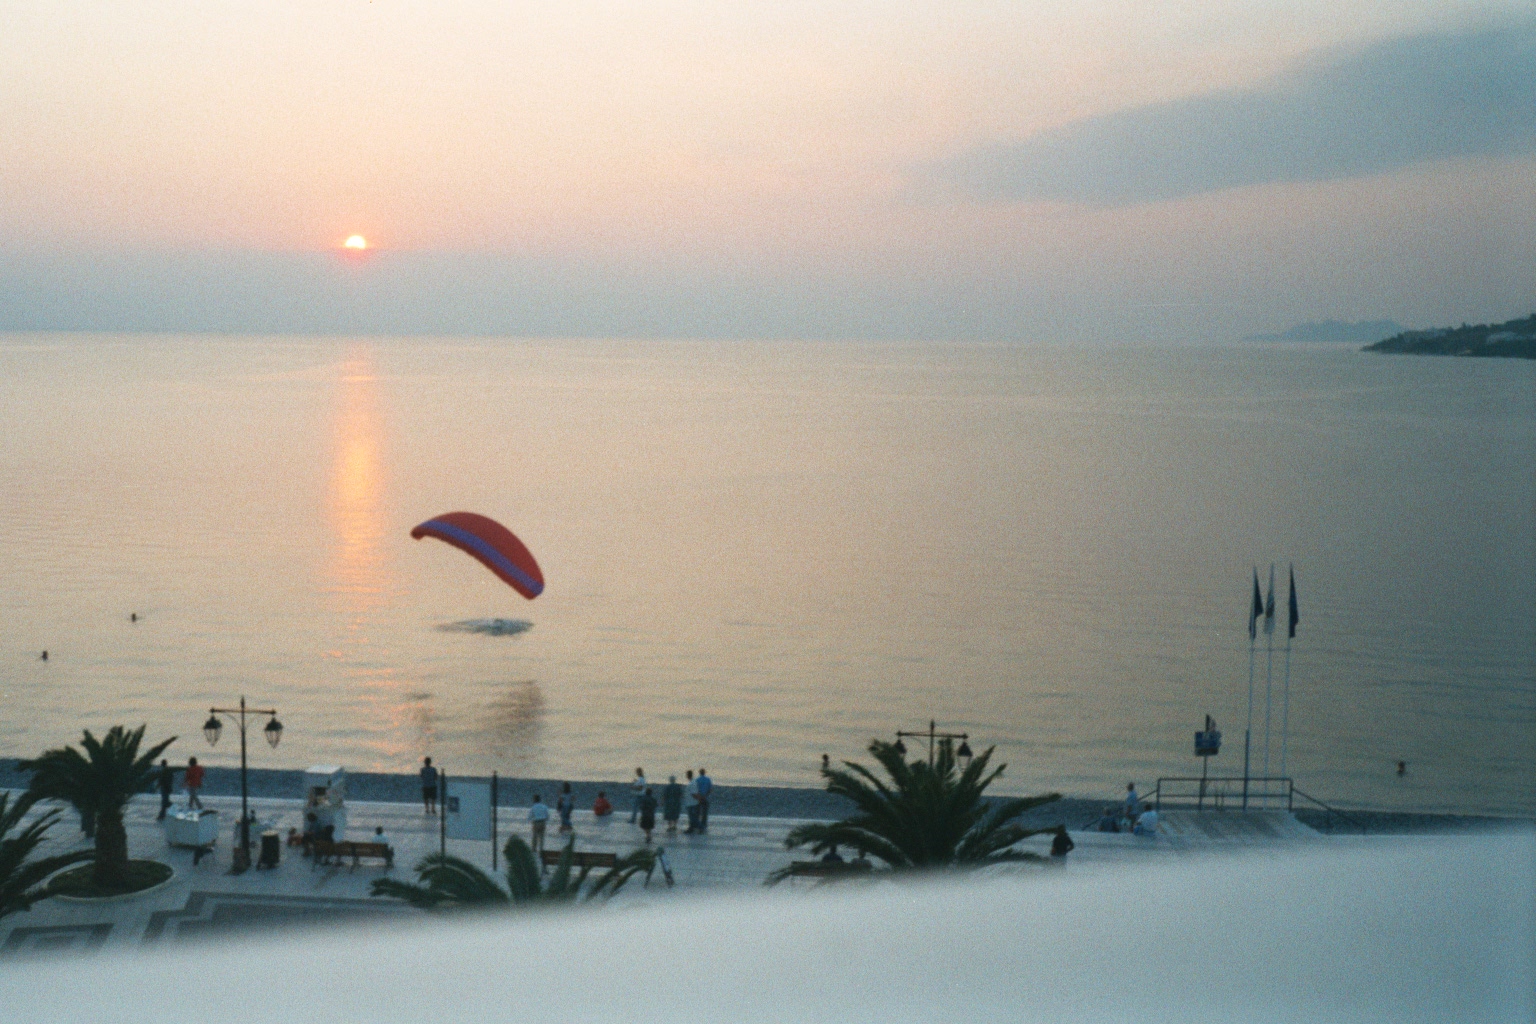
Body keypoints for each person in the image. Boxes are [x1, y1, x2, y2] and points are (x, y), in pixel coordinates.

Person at [529, 793, 550, 862]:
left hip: (536, 822)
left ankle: (534, 851)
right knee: (542, 838)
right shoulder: (544, 806)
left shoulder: (533, 807)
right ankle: (541, 851)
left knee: (535, 837)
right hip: (543, 822)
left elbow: (529, 817)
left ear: (534, 800)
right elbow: (547, 816)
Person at [695, 768, 713, 832]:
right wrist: (705, 796)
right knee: (705, 812)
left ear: (699, 773)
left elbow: (695, 789)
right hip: (705, 797)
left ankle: (698, 824)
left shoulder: (697, 780)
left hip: (698, 798)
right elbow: (710, 789)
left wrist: (699, 796)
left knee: (697, 812)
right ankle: (704, 824)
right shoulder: (708, 779)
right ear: (704, 773)